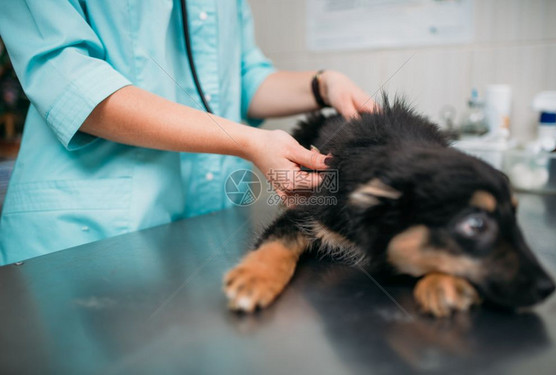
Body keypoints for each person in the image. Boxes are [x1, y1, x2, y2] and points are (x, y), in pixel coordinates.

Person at [0, 0, 374, 265]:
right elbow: (73, 85)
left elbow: (243, 77)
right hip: (87, 235)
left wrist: (323, 85)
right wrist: (248, 141)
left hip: (207, 224)